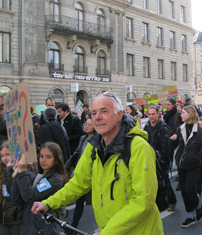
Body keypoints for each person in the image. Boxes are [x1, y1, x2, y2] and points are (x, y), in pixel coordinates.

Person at [31, 91, 164, 235]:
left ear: (119, 115)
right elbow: (78, 183)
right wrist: (48, 203)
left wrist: (108, 231)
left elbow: (143, 201)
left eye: (104, 111)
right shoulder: (93, 147)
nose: (97, 117)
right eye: (94, 113)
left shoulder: (138, 147)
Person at [11, 142, 68, 235]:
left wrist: (22, 173)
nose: (43, 160)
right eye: (41, 156)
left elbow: (30, 196)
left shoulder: (56, 180)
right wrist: (17, 173)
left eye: (48, 157)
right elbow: (16, 199)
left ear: (57, 160)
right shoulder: (36, 175)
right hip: (28, 225)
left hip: (44, 228)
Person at [170, 105, 202, 228]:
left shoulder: (200, 131)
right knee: (184, 192)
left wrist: (194, 158)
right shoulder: (180, 128)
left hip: (193, 165)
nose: (181, 115)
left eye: (184, 113)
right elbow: (175, 145)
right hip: (181, 164)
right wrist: (173, 139)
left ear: (190, 114)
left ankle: (198, 206)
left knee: (189, 189)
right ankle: (191, 216)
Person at [144, 106, 177, 212]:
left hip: (161, 160)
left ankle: (171, 201)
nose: (151, 116)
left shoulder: (163, 128)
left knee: (164, 180)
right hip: (150, 158)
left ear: (158, 114)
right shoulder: (147, 126)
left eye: (153, 114)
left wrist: (162, 160)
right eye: (149, 114)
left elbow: (165, 148)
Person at [66, 118, 95, 232]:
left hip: (92, 175)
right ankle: (74, 225)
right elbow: (76, 153)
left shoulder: (97, 139)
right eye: (85, 124)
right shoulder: (83, 138)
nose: (86, 126)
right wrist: (67, 165)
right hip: (81, 172)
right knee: (79, 200)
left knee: (96, 201)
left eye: (89, 125)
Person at [0, 141, 23, 235]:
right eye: (2, 156)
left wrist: (9, 171)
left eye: (7, 154)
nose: (4, 158)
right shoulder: (2, 171)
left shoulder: (20, 170)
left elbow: (13, 192)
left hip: (16, 218)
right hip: (4, 218)